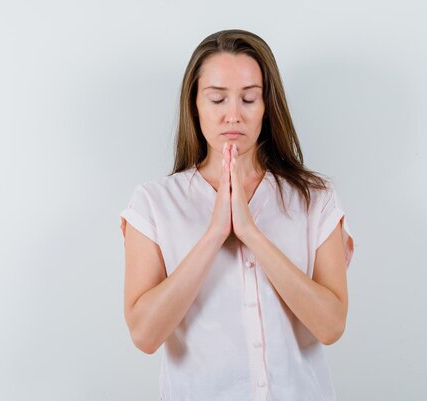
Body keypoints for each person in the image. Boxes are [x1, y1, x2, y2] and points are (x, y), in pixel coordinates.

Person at [118, 29, 355, 401]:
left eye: (248, 98)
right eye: (217, 99)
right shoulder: (153, 203)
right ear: (194, 105)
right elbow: (145, 335)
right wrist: (215, 233)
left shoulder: (314, 198)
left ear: (267, 105)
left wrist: (251, 234)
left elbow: (331, 325)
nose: (233, 115)